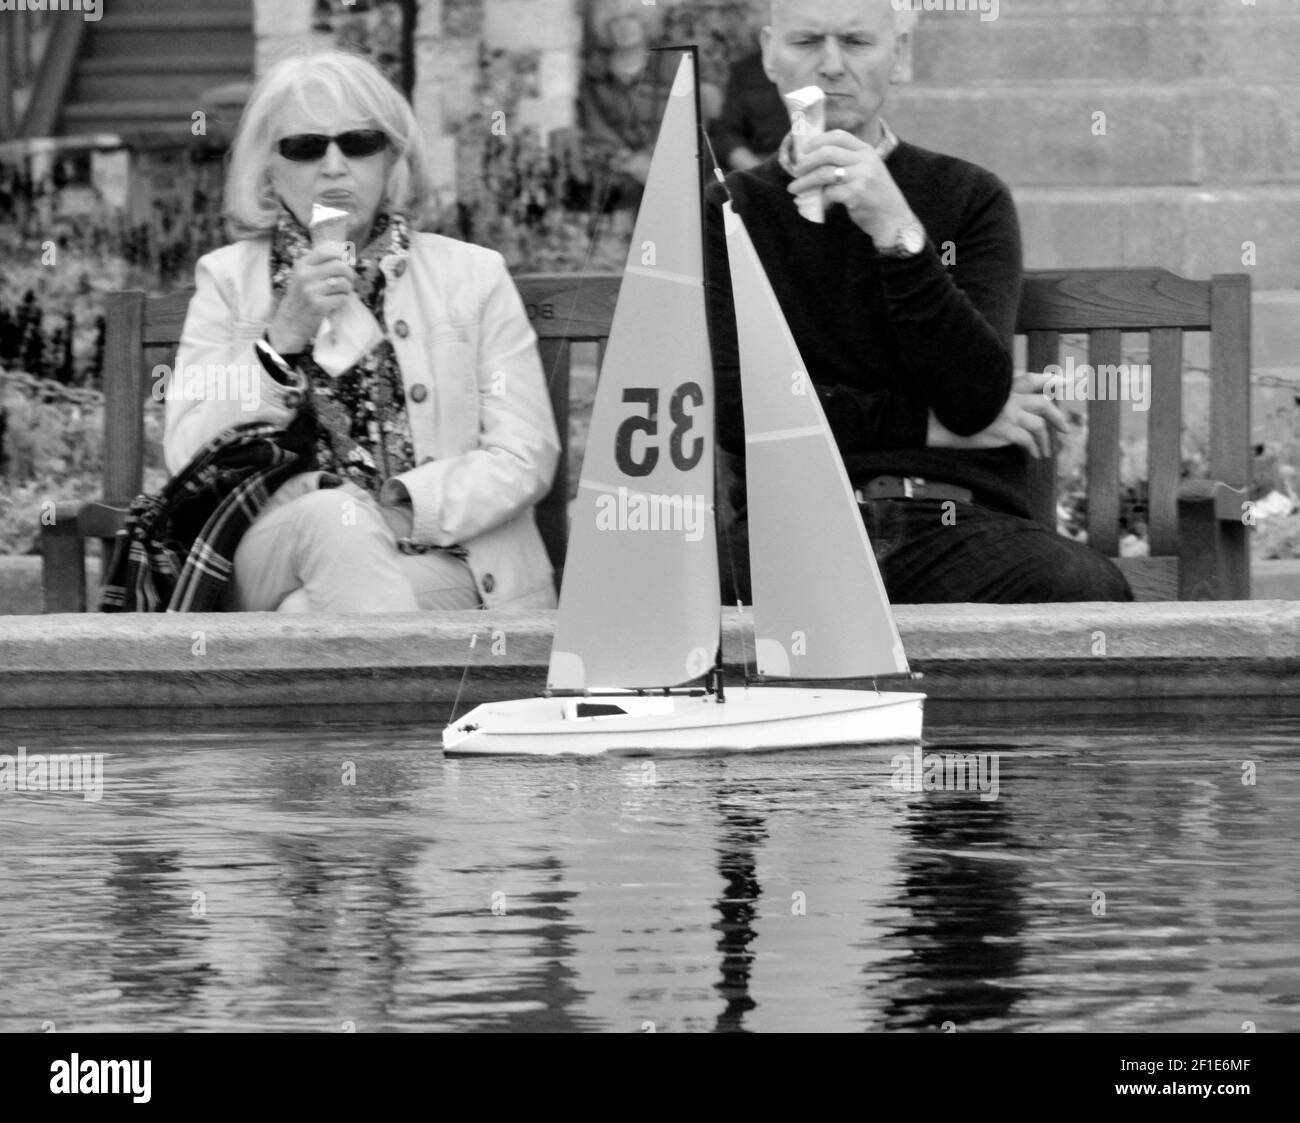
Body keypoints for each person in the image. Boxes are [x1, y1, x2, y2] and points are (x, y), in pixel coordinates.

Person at [705, 0, 1132, 604]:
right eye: (806, 42)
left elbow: (974, 396)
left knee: (1082, 588)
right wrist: (931, 427)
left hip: (957, 524)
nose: (831, 66)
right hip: (794, 523)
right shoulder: (729, 212)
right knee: (678, 612)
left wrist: (896, 230)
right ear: (770, 54)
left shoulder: (969, 197)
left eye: (856, 41)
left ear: (899, 55)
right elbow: (740, 412)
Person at [163, 50, 560, 613]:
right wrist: (282, 337)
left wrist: (396, 507)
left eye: (358, 143)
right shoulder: (229, 280)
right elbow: (187, 453)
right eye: (305, 147)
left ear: (391, 157)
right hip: (273, 551)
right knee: (329, 516)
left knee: (307, 612)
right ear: (269, 169)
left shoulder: (471, 276)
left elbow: (524, 455)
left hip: (441, 558)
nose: (333, 166)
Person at [576, 0, 672, 210]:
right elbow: (596, 129)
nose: (623, 27)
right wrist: (630, 161)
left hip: (670, 164)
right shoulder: (594, 76)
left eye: (631, 17)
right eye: (614, 21)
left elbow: (685, 120)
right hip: (620, 171)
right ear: (604, 28)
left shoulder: (671, 66)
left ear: (645, 22)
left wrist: (650, 156)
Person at [710, 3, 790, 172]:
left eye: (755, 12)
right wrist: (758, 173)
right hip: (760, 168)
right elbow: (726, 135)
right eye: (748, 13)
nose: (749, 20)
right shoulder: (744, 70)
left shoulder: (821, 65)